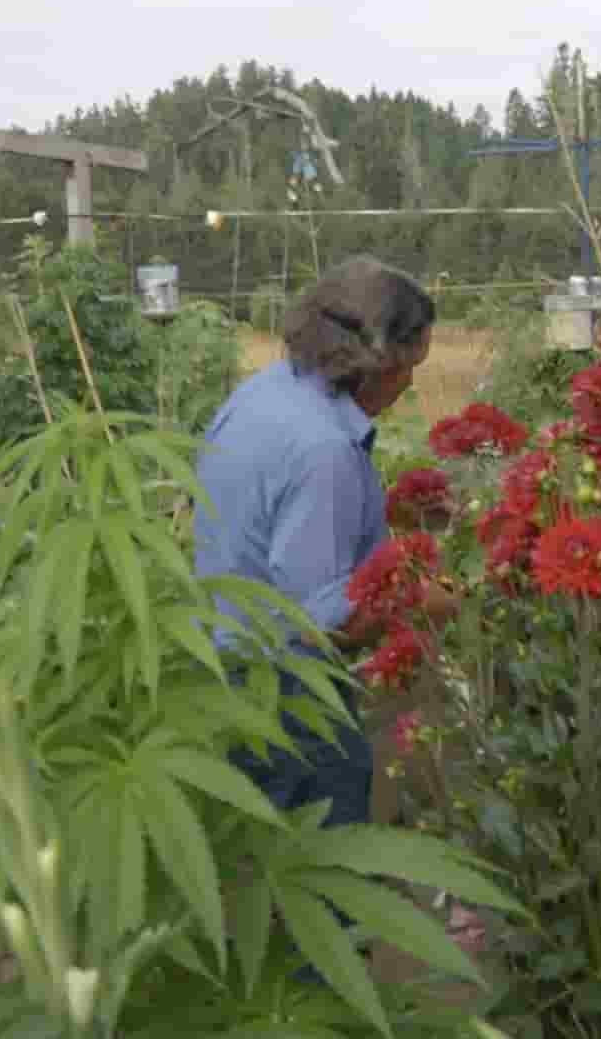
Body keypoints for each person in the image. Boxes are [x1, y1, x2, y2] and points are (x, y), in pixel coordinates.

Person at [194, 255, 459, 836]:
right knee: (324, 861)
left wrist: (391, 516)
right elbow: (324, 620)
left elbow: (273, 523)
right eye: (408, 366)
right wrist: (433, 602)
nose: (411, 382)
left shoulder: (267, 394)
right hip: (286, 696)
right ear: (374, 360)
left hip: (221, 671)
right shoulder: (324, 449)